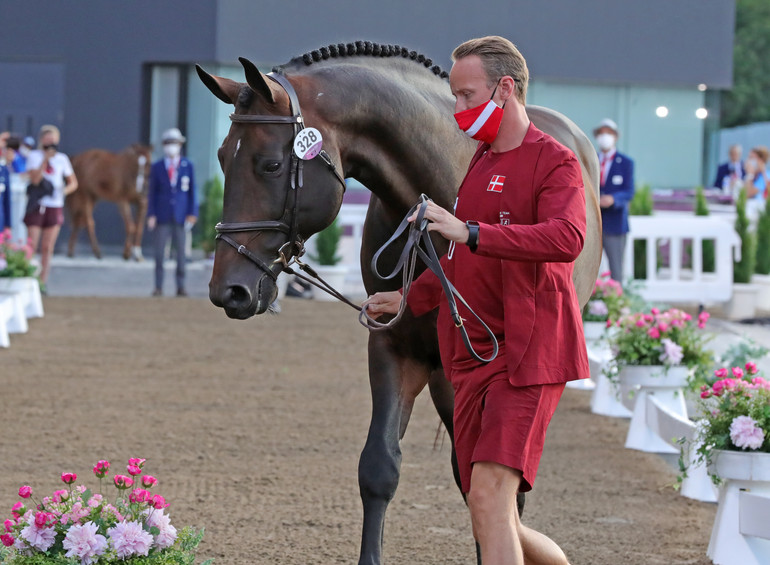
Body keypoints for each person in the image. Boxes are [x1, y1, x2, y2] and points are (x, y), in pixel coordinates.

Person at [363, 36, 587, 565]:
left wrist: (471, 231)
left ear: (504, 90)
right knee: (491, 511)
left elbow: (567, 239)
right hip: (474, 359)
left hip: (529, 356)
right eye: (454, 97)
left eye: (466, 96)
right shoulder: (479, 164)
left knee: (487, 496)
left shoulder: (555, 162)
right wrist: (405, 299)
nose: (457, 109)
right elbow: (460, 261)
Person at [24, 125, 78, 294]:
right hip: (38, 205)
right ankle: (28, 280)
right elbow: (34, 180)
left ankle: (42, 282)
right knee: (32, 245)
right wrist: (45, 160)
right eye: (47, 141)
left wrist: (63, 191)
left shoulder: (62, 159)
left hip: (55, 206)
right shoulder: (34, 156)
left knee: (48, 246)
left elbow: (73, 182)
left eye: (53, 141)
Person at [147, 127, 197, 296]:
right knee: (160, 254)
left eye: (174, 143)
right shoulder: (157, 167)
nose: (171, 147)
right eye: (168, 143)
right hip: (162, 216)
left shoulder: (187, 165)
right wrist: (151, 214)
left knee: (181, 254)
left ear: (180, 145)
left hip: (181, 216)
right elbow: (152, 192)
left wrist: (192, 213)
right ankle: (158, 286)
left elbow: (192, 192)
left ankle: (180, 286)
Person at [593, 118, 634, 284]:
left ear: (615, 136)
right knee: (589, 268)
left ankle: (617, 304)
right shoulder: (592, 159)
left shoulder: (625, 162)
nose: (605, 137)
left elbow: (629, 191)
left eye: (608, 133)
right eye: (602, 133)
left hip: (615, 223)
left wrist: (613, 199)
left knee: (616, 270)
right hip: (594, 222)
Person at [742, 145, 768, 223]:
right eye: (749, 158)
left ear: (761, 161)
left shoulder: (765, 177)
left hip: (758, 217)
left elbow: (747, 194)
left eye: (752, 158)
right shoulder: (753, 177)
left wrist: (750, 174)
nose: (748, 161)